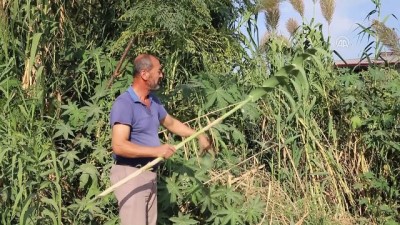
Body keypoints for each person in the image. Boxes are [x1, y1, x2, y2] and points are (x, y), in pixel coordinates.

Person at [109, 54, 211, 225]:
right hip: (131, 174)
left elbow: (171, 123)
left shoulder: (153, 102)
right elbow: (119, 146)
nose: (161, 75)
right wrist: (156, 151)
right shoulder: (124, 104)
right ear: (144, 74)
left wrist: (198, 134)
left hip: (148, 173)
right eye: (159, 71)